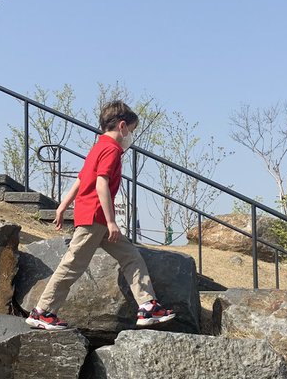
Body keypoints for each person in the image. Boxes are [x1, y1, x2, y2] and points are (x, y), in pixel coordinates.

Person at [26, 100, 176, 331]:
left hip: (96, 219)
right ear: (123, 126)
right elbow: (100, 184)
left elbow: (81, 179)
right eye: (132, 131)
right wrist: (111, 221)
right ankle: (42, 311)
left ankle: (147, 305)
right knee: (72, 265)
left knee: (130, 256)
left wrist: (62, 205)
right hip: (95, 218)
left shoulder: (98, 146)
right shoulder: (111, 150)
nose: (130, 137)